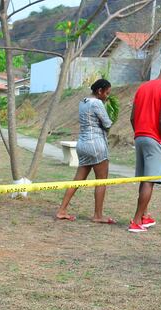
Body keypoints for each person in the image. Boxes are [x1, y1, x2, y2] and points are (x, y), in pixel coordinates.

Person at [128, 59, 161, 233]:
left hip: (140, 137)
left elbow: (132, 118)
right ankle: (136, 221)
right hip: (154, 139)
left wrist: (139, 134)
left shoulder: (143, 87)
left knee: (145, 180)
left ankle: (144, 215)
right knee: (150, 181)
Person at [55, 79, 116, 224]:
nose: (107, 96)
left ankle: (62, 210)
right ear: (100, 91)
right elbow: (107, 124)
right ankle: (98, 215)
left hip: (82, 144)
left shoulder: (83, 102)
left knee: (78, 179)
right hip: (96, 145)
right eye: (106, 93)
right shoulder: (97, 103)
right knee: (101, 181)